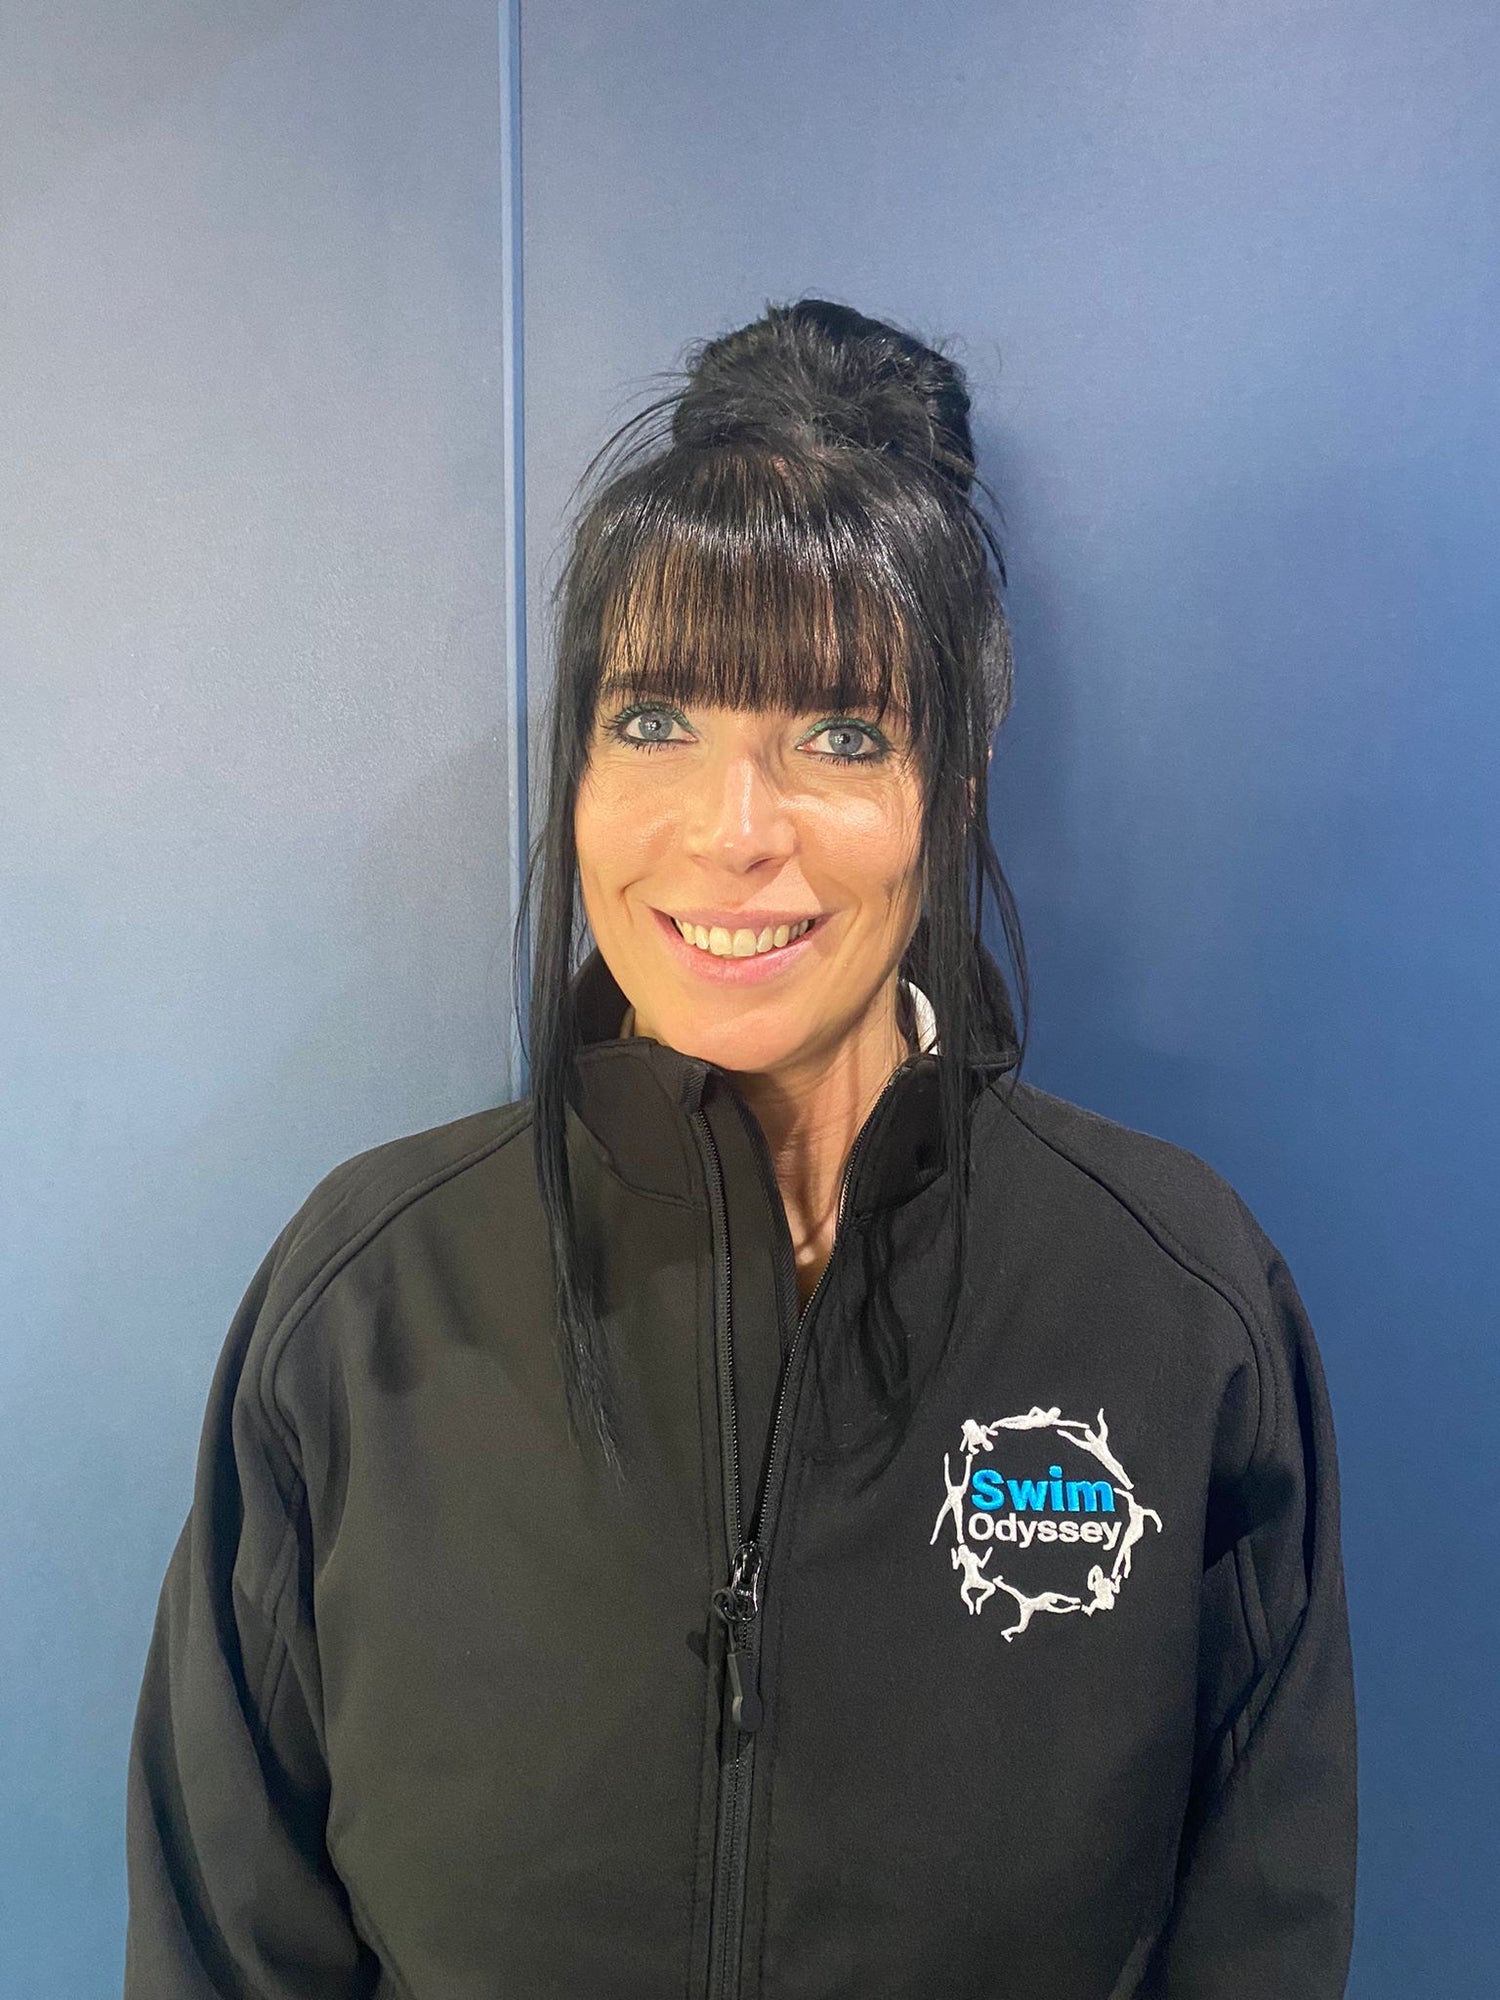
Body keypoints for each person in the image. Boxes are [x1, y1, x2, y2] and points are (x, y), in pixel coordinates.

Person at [124, 298, 1357, 1998]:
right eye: (655, 721)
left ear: (957, 771)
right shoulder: (365, 1300)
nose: (731, 832)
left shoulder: (1172, 1301)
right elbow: (223, 1936)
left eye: (840, 735)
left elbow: (1257, 1931)